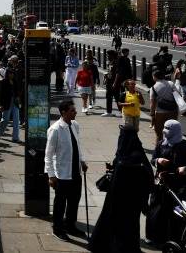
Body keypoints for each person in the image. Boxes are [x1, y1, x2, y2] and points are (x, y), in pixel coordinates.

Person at [89, 127, 153, 253]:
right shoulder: (135, 155)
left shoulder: (124, 155)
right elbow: (148, 177)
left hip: (119, 199)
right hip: (130, 201)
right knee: (128, 226)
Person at [147, 120, 186, 245]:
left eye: (168, 128)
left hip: (180, 185)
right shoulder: (161, 144)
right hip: (162, 183)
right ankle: (155, 237)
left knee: (178, 212)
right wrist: (158, 160)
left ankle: (177, 239)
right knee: (157, 210)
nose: (165, 130)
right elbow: (152, 159)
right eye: (164, 127)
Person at [44, 100, 88, 241]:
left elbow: (77, 145)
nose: (75, 112)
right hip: (62, 174)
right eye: (72, 110)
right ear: (63, 112)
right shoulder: (55, 129)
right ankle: (57, 229)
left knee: (74, 201)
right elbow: (48, 155)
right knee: (60, 204)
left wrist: (82, 160)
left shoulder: (75, 125)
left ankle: (70, 225)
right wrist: (51, 175)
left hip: (75, 172)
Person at [0, 57, 22, 142]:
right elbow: (0, 95)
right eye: (10, 73)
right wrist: (0, 105)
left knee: (16, 120)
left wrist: (19, 99)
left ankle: (15, 137)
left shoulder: (15, 82)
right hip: (6, 103)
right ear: (7, 74)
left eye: (12, 73)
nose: (11, 75)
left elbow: (17, 92)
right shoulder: (3, 83)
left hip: (15, 102)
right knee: (5, 120)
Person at [102, 50, 118, 117]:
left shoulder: (116, 63)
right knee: (109, 96)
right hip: (109, 81)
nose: (107, 56)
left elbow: (117, 74)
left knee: (117, 97)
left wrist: (114, 83)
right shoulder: (109, 62)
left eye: (108, 55)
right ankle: (109, 112)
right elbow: (109, 72)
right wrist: (105, 77)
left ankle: (123, 111)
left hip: (113, 82)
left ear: (112, 55)